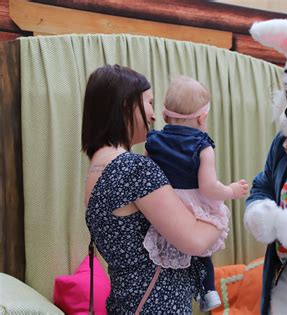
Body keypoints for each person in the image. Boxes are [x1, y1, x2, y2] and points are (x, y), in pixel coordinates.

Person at [82, 65, 222, 314]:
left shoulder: (97, 166)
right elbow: (196, 241)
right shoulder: (133, 168)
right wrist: (220, 214)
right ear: (127, 106)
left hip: (126, 304)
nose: (154, 115)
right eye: (149, 103)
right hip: (157, 306)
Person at [143, 75, 248, 312]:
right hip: (194, 207)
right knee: (201, 253)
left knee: (166, 246)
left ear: (165, 114)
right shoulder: (202, 146)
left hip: (165, 203)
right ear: (202, 117)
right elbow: (208, 187)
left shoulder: (154, 141)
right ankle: (208, 290)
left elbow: (149, 174)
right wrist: (230, 190)